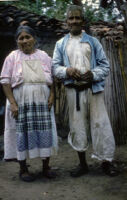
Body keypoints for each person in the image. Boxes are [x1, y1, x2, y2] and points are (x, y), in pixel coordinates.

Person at [53, 5, 118, 177]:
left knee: (100, 124)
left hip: (93, 90)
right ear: (67, 22)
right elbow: (55, 67)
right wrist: (66, 71)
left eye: (77, 18)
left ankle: (106, 161)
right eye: (71, 18)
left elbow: (105, 66)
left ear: (83, 21)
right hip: (73, 92)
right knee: (77, 127)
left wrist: (94, 74)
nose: (74, 21)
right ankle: (82, 164)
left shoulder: (93, 42)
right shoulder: (61, 44)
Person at [0, 25, 58, 182]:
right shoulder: (12, 57)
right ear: (17, 41)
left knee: (45, 131)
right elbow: (5, 81)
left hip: (42, 101)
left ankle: (46, 167)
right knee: (22, 132)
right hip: (21, 102)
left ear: (34, 38)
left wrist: (52, 95)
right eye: (21, 38)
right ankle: (23, 169)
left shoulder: (44, 55)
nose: (25, 40)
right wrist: (12, 103)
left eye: (27, 37)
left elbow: (53, 78)